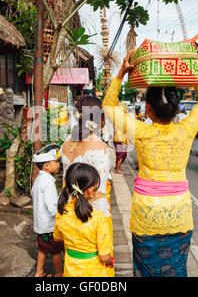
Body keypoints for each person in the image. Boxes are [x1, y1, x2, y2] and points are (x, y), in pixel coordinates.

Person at [103, 49, 198, 277]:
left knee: (146, 272)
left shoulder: (141, 131)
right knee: (177, 270)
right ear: (175, 109)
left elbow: (109, 106)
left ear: (148, 109)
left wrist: (121, 72)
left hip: (146, 215)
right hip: (180, 214)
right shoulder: (186, 130)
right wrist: (193, 71)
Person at [60, 95, 115, 276]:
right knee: (99, 261)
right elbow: (98, 190)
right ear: (100, 119)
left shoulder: (66, 144)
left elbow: (65, 181)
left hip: (71, 208)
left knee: (75, 257)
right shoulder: (100, 147)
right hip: (94, 212)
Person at [53, 163, 113, 277]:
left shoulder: (62, 212)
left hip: (70, 269)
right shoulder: (97, 217)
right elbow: (105, 256)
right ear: (90, 189)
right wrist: (110, 261)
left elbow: (57, 238)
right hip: (93, 271)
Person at [31, 145, 64, 277]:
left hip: (40, 226)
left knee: (43, 249)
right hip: (50, 227)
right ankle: (59, 274)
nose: (58, 164)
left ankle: (39, 273)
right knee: (56, 251)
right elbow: (52, 206)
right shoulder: (49, 183)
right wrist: (60, 218)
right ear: (46, 166)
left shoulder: (39, 180)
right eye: (55, 162)